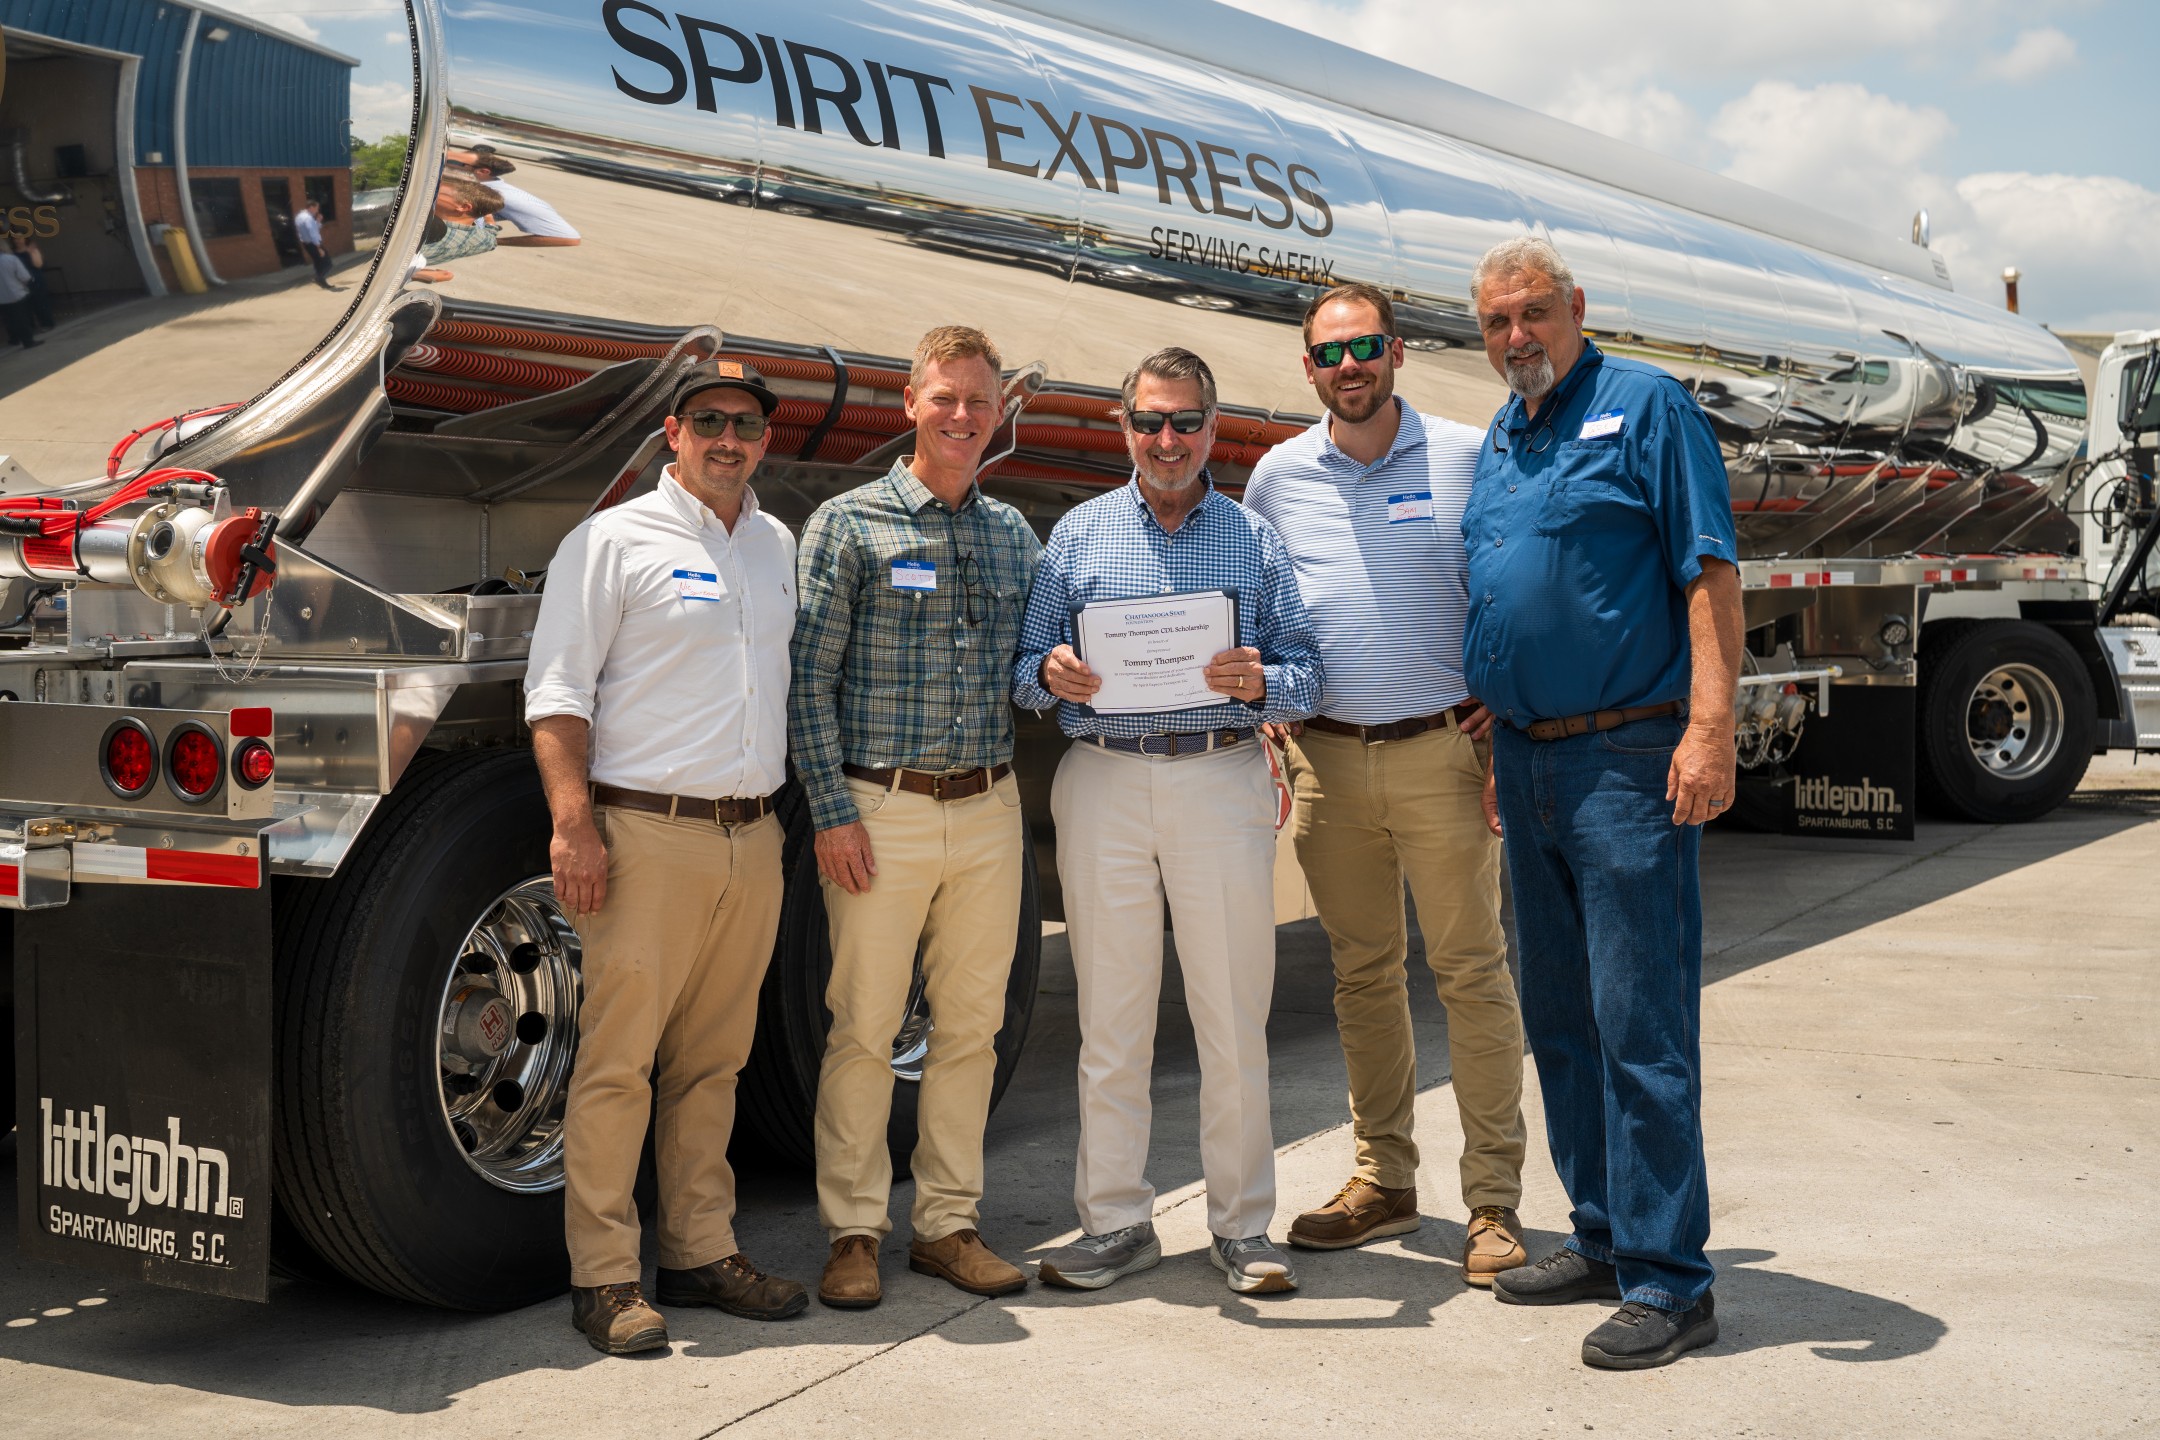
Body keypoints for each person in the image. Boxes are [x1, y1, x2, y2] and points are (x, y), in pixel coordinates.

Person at [1462, 235, 1742, 1370]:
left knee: (1640, 1025)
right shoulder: (1505, 432)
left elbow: (1708, 572)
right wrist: (1506, 731)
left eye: (1533, 312)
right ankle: (1601, 1233)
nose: (1517, 335)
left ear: (1576, 306)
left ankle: (1671, 1280)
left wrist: (1709, 730)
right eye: (1496, 321)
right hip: (1527, 761)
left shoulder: (1647, 406)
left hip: (1627, 762)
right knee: (1561, 1021)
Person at [1016, 347, 1322, 1297]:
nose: (1167, 438)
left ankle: (1243, 1227)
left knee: (1232, 1014)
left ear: (1212, 428)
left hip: (1218, 776)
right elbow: (1025, 671)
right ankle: (1114, 1223)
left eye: (1186, 421)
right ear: (1125, 427)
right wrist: (1051, 674)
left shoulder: (1253, 539)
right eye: (1150, 420)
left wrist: (1263, 682)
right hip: (1104, 779)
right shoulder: (1078, 534)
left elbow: (1309, 671)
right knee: (1110, 1015)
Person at [1242, 282, 1529, 1286]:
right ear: (1308, 369)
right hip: (1325, 762)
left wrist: (1508, 695)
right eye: (1329, 354)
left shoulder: (1465, 455)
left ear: (1396, 351)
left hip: (1443, 754)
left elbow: (1513, 583)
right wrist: (1267, 699)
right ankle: (1384, 1178)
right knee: (1362, 975)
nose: (1348, 366)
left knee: (1471, 973)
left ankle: (1492, 1201)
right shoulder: (1278, 476)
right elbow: (1259, 608)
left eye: (1364, 346)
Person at [525, 358, 807, 1354]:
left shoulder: (776, 544)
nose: (729, 439)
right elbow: (558, 694)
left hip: (752, 835)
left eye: (747, 424)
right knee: (619, 1065)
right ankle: (603, 1277)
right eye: (709, 421)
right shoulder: (611, 541)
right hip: (647, 834)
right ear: (673, 433)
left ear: (765, 440)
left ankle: (698, 1252)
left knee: (714, 1063)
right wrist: (574, 826)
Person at [789, 325, 1042, 1310]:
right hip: (879, 808)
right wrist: (831, 812)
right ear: (910, 403)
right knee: (864, 1026)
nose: (962, 416)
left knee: (973, 1027)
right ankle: (854, 1232)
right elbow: (807, 683)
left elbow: (1043, 657)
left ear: (998, 411)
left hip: (987, 808)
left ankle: (947, 1225)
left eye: (979, 400)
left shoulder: (1011, 534)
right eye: (945, 397)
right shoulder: (849, 525)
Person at [455, 145, 583, 247]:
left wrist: (492, 241)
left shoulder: (510, 197)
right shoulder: (469, 183)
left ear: (483, 171)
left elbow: (570, 239)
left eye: (459, 162)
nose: (449, 162)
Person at [415, 176, 503, 283]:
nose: (427, 193)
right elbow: (492, 239)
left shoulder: (423, 231)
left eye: (436, 192)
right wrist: (488, 217)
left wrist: (418, 275)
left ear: (464, 207)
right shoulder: (483, 240)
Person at [0, 240, 40, 350]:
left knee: (8, 319)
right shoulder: (11, 259)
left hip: (2, 298)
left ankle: (14, 339)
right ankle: (28, 341)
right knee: (22, 319)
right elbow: (24, 276)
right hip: (16, 293)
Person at [293, 200, 335, 289]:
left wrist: (318, 221)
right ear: (311, 207)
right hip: (314, 243)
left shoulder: (299, 217)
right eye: (316, 208)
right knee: (328, 263)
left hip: (306, 243)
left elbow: (312, 229)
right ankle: (319, 278)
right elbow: (313, 233)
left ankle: (322, 281)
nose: (317, 210)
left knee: (318, 262)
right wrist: (319, 247)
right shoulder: (308, 218)